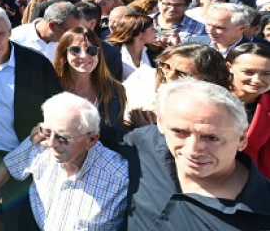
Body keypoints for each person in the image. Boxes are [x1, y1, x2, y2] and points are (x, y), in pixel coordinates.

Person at [103, 80, 270, 230]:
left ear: (241, 139)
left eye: (211, 137)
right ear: (161, 123)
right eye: (180, 132)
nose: (193, 150)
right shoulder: (148, 142)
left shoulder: (262, 213)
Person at [0, 92, 129, 231]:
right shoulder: (40, 143)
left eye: (62, 137)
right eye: (47, 131)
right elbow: (9, 165)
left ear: (91, 140)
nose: (51, 143)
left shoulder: (120, 179)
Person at [0, 6, 62, 231]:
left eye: (0, 34)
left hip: (23, 155)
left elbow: (56, 105)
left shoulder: (36, 64)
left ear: (10, 31)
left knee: (17, 218)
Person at [54, 27, 127, 128]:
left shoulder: (115, 90)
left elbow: (116, 134)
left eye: (91, 50)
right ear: (63, 54)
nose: (84, 56)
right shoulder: (50, 86)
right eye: (75, 50)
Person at [226, 43, 270, 178]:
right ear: (229, 67)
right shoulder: (205, 98)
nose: (257, 80)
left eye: (266, 74)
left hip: (246, 182)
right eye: (248, 72)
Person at [11, 2, 83, 61]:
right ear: (52, 25)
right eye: (68, 31)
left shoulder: (70, 43)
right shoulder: (15, 39)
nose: (73, 36)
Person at [106, 12, 161, 81]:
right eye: (152, 28)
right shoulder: (110, 51)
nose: (156, 31)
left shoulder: (156, 52)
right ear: (139, 34)